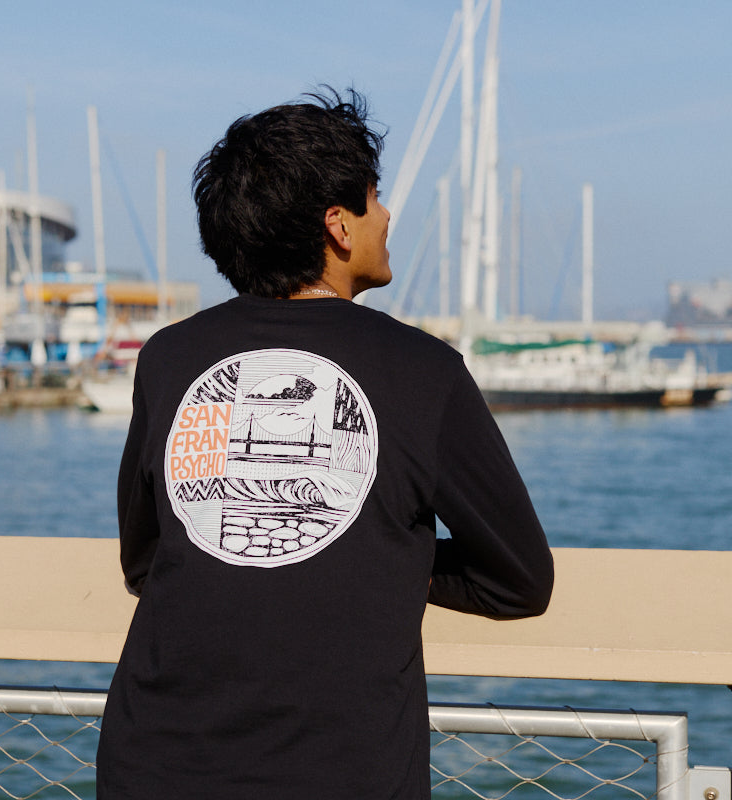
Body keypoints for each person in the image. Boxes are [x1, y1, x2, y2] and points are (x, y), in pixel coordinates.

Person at [97, 87, 553, 800]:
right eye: (376, 198)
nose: (389, 215)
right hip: (345, 773)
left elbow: (147, 558)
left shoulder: (169, 358)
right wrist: (382, 555)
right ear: (339, 225)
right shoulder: (422, 370)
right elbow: (520, 579)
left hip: (152, 763)